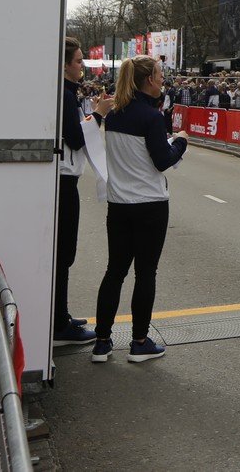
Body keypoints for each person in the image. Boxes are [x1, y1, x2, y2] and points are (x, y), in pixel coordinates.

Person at [92, 55, 189, 364]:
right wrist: (181, 142)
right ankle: (139, 342)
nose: (163, 80)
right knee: (145, 273)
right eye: (160, 74)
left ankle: (102, 342)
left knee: (115, 272)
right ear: (149, 80)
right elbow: (162, 161)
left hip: (119, 205)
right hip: (150, 205)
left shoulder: (115, 114)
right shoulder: (151, 117)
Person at [55, 37, 113, 348]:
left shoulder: (67, 93)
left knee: (63, 254)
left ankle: (60, 315)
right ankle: (58, 324)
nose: (82, 67)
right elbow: (76, 139)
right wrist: (99, 114)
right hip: (63, 182)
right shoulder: (64, 95)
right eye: (78, 61)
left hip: (65, 180)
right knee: (63, 254)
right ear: (64, 64)